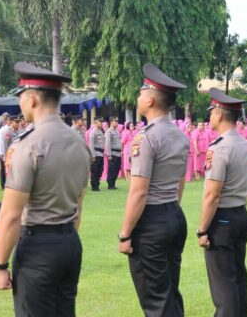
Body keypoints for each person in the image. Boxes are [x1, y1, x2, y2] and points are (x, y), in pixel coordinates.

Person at [0, 62, 90, 317]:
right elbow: (79, 204)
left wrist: (1, 264)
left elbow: (11, 214)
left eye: (21, 97)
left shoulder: (29, 145)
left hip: (38, 246)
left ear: (33, 98)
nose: (20, 105)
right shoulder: (79, 143)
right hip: (69, 242)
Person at [118, 63, 188, 317]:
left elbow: (138, 192)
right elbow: (180, 181)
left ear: (149, 99)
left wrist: (125, 234)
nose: (137, 98)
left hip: (151, 222)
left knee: (157, 301)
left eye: (139, 93)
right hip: (173, 214)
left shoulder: (146, 137)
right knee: (169, 292)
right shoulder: (180, 136)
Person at [197, 88, 247, 317]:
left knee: (224, 283)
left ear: (220, 114)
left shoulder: (219, 148)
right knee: (238, 276)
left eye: (211, 112)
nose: (209, 117)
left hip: (222, 219)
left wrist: (202, 229)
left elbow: (212, 194)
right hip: (240, 214)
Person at [104, 116, 123, 190]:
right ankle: (110, 184)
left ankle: (113, 183)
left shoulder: (117, 131)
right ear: (111, 122)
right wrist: (109, 155)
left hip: (118, 153)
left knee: (117, 169)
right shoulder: (109, 131)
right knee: (112, 169)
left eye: (118, 121)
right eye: (116, 121)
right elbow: (108, 144)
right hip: (113, 153)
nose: (117, 122)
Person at [88, 117, 105, 191]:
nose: (101, 123)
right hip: (96, 153)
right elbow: (91, 144)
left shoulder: (101, 131)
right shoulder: (93, 132)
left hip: (101, 153)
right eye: (99, 121)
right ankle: (94, 186)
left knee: (100, 170)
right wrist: (93, 156)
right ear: (95, 122)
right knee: (95, 170)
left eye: (101, 122)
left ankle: (97, 185)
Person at [0, 114, 14, 189]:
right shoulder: (3, 130)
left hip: (11, 154)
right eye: (10, 120)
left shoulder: (12, 129)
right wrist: (2, 154)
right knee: (4, 170)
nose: (11, 122)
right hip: (4, 153)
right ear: (6, 121)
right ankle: (3, 184)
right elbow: (1, 143)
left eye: (12, 120)